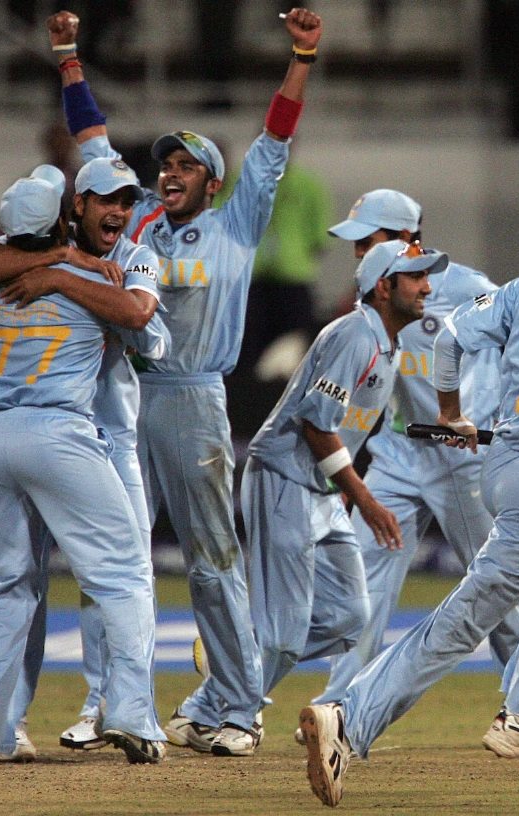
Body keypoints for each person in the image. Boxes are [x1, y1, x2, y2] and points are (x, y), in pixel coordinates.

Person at [300, 186, 519, 809]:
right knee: (473, 613)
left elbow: (451, 340)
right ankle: (349, 719)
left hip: (513, 465)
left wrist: (454, 411)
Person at [46, 6, 323, 757]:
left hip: (196, 399)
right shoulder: (138, 222)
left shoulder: (237, 223)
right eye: (165, 164)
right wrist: (70, 53)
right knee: (113, 553)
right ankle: (107, 702)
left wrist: (300, 56)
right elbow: (93, 139)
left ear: (214, 181)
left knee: (211, 561)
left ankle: (237, 708)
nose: (167, 173)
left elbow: (276, 138)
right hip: (127, 397)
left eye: (185, 166)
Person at [0, 165, 167, 765]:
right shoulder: (80, 272)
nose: (118, 212)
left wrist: (57, 268)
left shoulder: (0, 274)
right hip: (63, 435)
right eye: (107, 200)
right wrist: (69, 269)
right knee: (123, 574)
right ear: (71, 211)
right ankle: (129, 715)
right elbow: (132, 313)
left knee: (7, 582)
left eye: (127, 201)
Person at [312, 188, 519, 711]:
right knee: (362, 576)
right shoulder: (376, 296)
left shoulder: (469, 287)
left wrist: (496, 414)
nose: (359, 252)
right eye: (356, 243)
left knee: (493, 586)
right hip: (399, 452)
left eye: (368, 240)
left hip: (465, 458)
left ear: (407, 237)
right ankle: (341, 708)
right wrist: (348, 476)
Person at [244, 240, 433, 728]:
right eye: (415, 277)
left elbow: (347, 426)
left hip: (322, 487)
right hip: (284, 476)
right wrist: (364, 497)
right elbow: (316, 426)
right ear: (384, 286)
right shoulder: (354, 335)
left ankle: (232, 667)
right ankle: (220, 713)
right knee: (284, 634)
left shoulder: (388, 343)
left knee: (349, 617)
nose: (427, 287)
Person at [235, 152, 334, 378]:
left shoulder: (309, 185)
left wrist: (293, 258)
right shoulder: (239, 181)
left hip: (293, 283)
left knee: (296, 351)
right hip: (253, 282)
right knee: (246, 355)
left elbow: (320, 237)